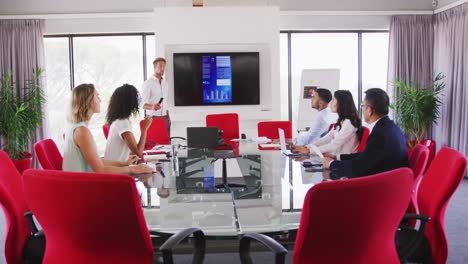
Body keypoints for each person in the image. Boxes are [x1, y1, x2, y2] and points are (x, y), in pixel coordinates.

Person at [62, 83, 153, 175]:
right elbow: (100, 170)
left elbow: (97, 162)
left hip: (79, 181)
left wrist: (124, 164)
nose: (100, 100)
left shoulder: (75, 127)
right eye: (97, 96)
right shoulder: (81, 131)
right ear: (88, 100)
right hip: (83, 185)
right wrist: (132, 169)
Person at [323, 88, 408, 179]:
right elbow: (366, 156)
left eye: (362, 106)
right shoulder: (390, 127)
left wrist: (331, 164)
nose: (362, 110)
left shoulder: (380, 134)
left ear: (369, 110)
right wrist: (337, 157)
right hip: (393, 181)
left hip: (381, 186)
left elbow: (358, 168)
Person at [293, 90, 362, 157]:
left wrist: (309, 150)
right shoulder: (341, 121)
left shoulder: (348, 123)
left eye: (333, 100)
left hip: (343, 162)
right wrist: (307, 147)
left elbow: (334, 145)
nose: (330, 103)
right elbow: (326, 139)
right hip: (335, 158)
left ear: (341, 103)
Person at [104, 84, 152, 161]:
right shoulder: (122, 123)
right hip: (117, 171)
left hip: (116, 167)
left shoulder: (118, 121)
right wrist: (144, 129)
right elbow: (138, 153)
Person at [142, 57, 171, 135]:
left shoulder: (165, 83)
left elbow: (165, 102)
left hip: (165, 118)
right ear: (154, 67)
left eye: (164, 66)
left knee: (167, 143)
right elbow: (143, 104)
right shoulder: (148, 83)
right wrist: (152, 106)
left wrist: (168, 117)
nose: (163, 68)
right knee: (154, 144)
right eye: (160, 66)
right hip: (152, 118)